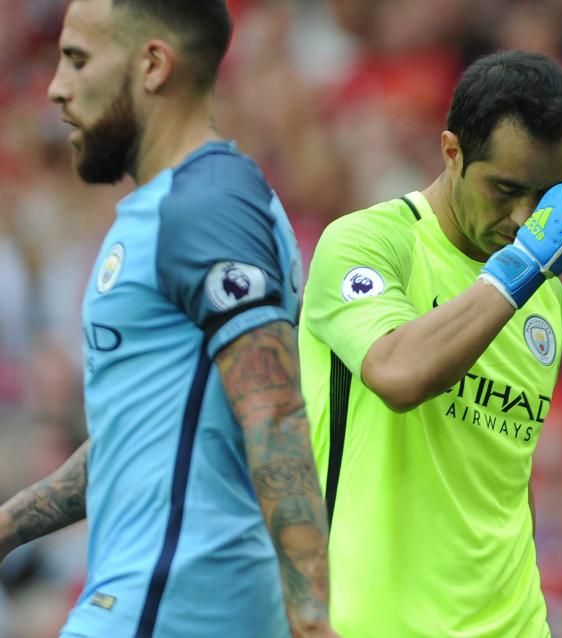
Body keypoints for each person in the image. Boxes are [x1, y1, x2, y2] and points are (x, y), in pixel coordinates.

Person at [0, 1, 336, 637]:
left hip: (173, 604)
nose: (55, 87)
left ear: (152, 65)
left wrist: (312, 618)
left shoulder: (204, 206)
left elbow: (274, 410)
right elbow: (150, 429)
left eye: (77, 60)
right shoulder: (182, 205)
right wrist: (10, 525)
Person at [298, 50, 562, 638]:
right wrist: (523, 267)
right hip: (374, 624)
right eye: (505, 189)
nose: (523, 217)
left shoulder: (544, 295)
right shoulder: (369, 244)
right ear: (452, 152)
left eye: (545, 195)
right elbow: (398, 374)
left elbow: (504, 470)